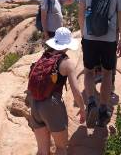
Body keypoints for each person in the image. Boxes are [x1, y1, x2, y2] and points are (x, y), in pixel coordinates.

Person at [77, 0, 121, 128]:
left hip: (89, 37)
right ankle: (104, 110)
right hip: (109, 39)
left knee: (89, 71)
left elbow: (81, 12)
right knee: (107, 73)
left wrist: (83, 32)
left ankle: (91, 102)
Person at [27, 27, 87, 155]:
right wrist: (82, 108)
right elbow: (76, 91)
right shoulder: (67, 63)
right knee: (61, 148)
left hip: (35, 103)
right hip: (51, 106)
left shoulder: (44, 57)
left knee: (42, 151)